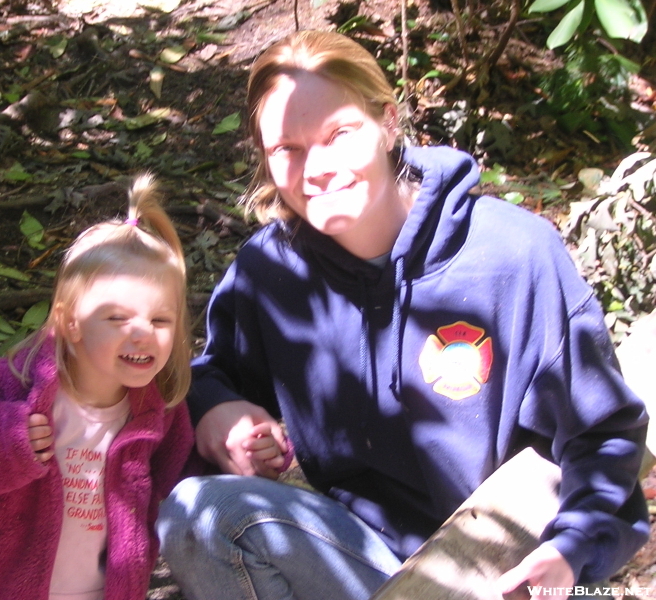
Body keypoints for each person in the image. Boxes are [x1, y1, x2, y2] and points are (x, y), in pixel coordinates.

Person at [155, 30, 650, 600]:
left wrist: (569, 549)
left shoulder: (513, 256)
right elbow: (206, 375)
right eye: (286, 149)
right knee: (205, 514)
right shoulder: (271, 273)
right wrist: (219, 411)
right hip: (363, 559)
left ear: (389, 123)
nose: (315, 168)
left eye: (338, 134)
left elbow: (604, 433)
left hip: (501, 571)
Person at [0, 174, 195, 600]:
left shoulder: (158, 408)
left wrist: (250, 456)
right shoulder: (18, 381)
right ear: (71, 323)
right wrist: (6, 439)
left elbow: (182, 478)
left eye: (160, 320)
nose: (143, 333)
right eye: (118, 318)